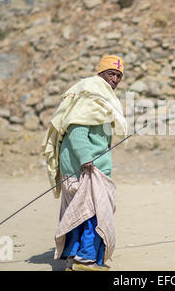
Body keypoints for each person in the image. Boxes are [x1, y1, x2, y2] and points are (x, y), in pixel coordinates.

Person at [42, 55, 127, 271]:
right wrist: (86, 159)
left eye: (119, 75)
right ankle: (85, 260)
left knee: (80, 211)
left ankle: (74, 258)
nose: (115, 79)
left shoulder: (101, 98)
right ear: (100, 73)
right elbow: (78, 131)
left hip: (89, 169)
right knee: (93, 212)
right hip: (84, 169)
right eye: (111, 73)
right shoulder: (91, 96)